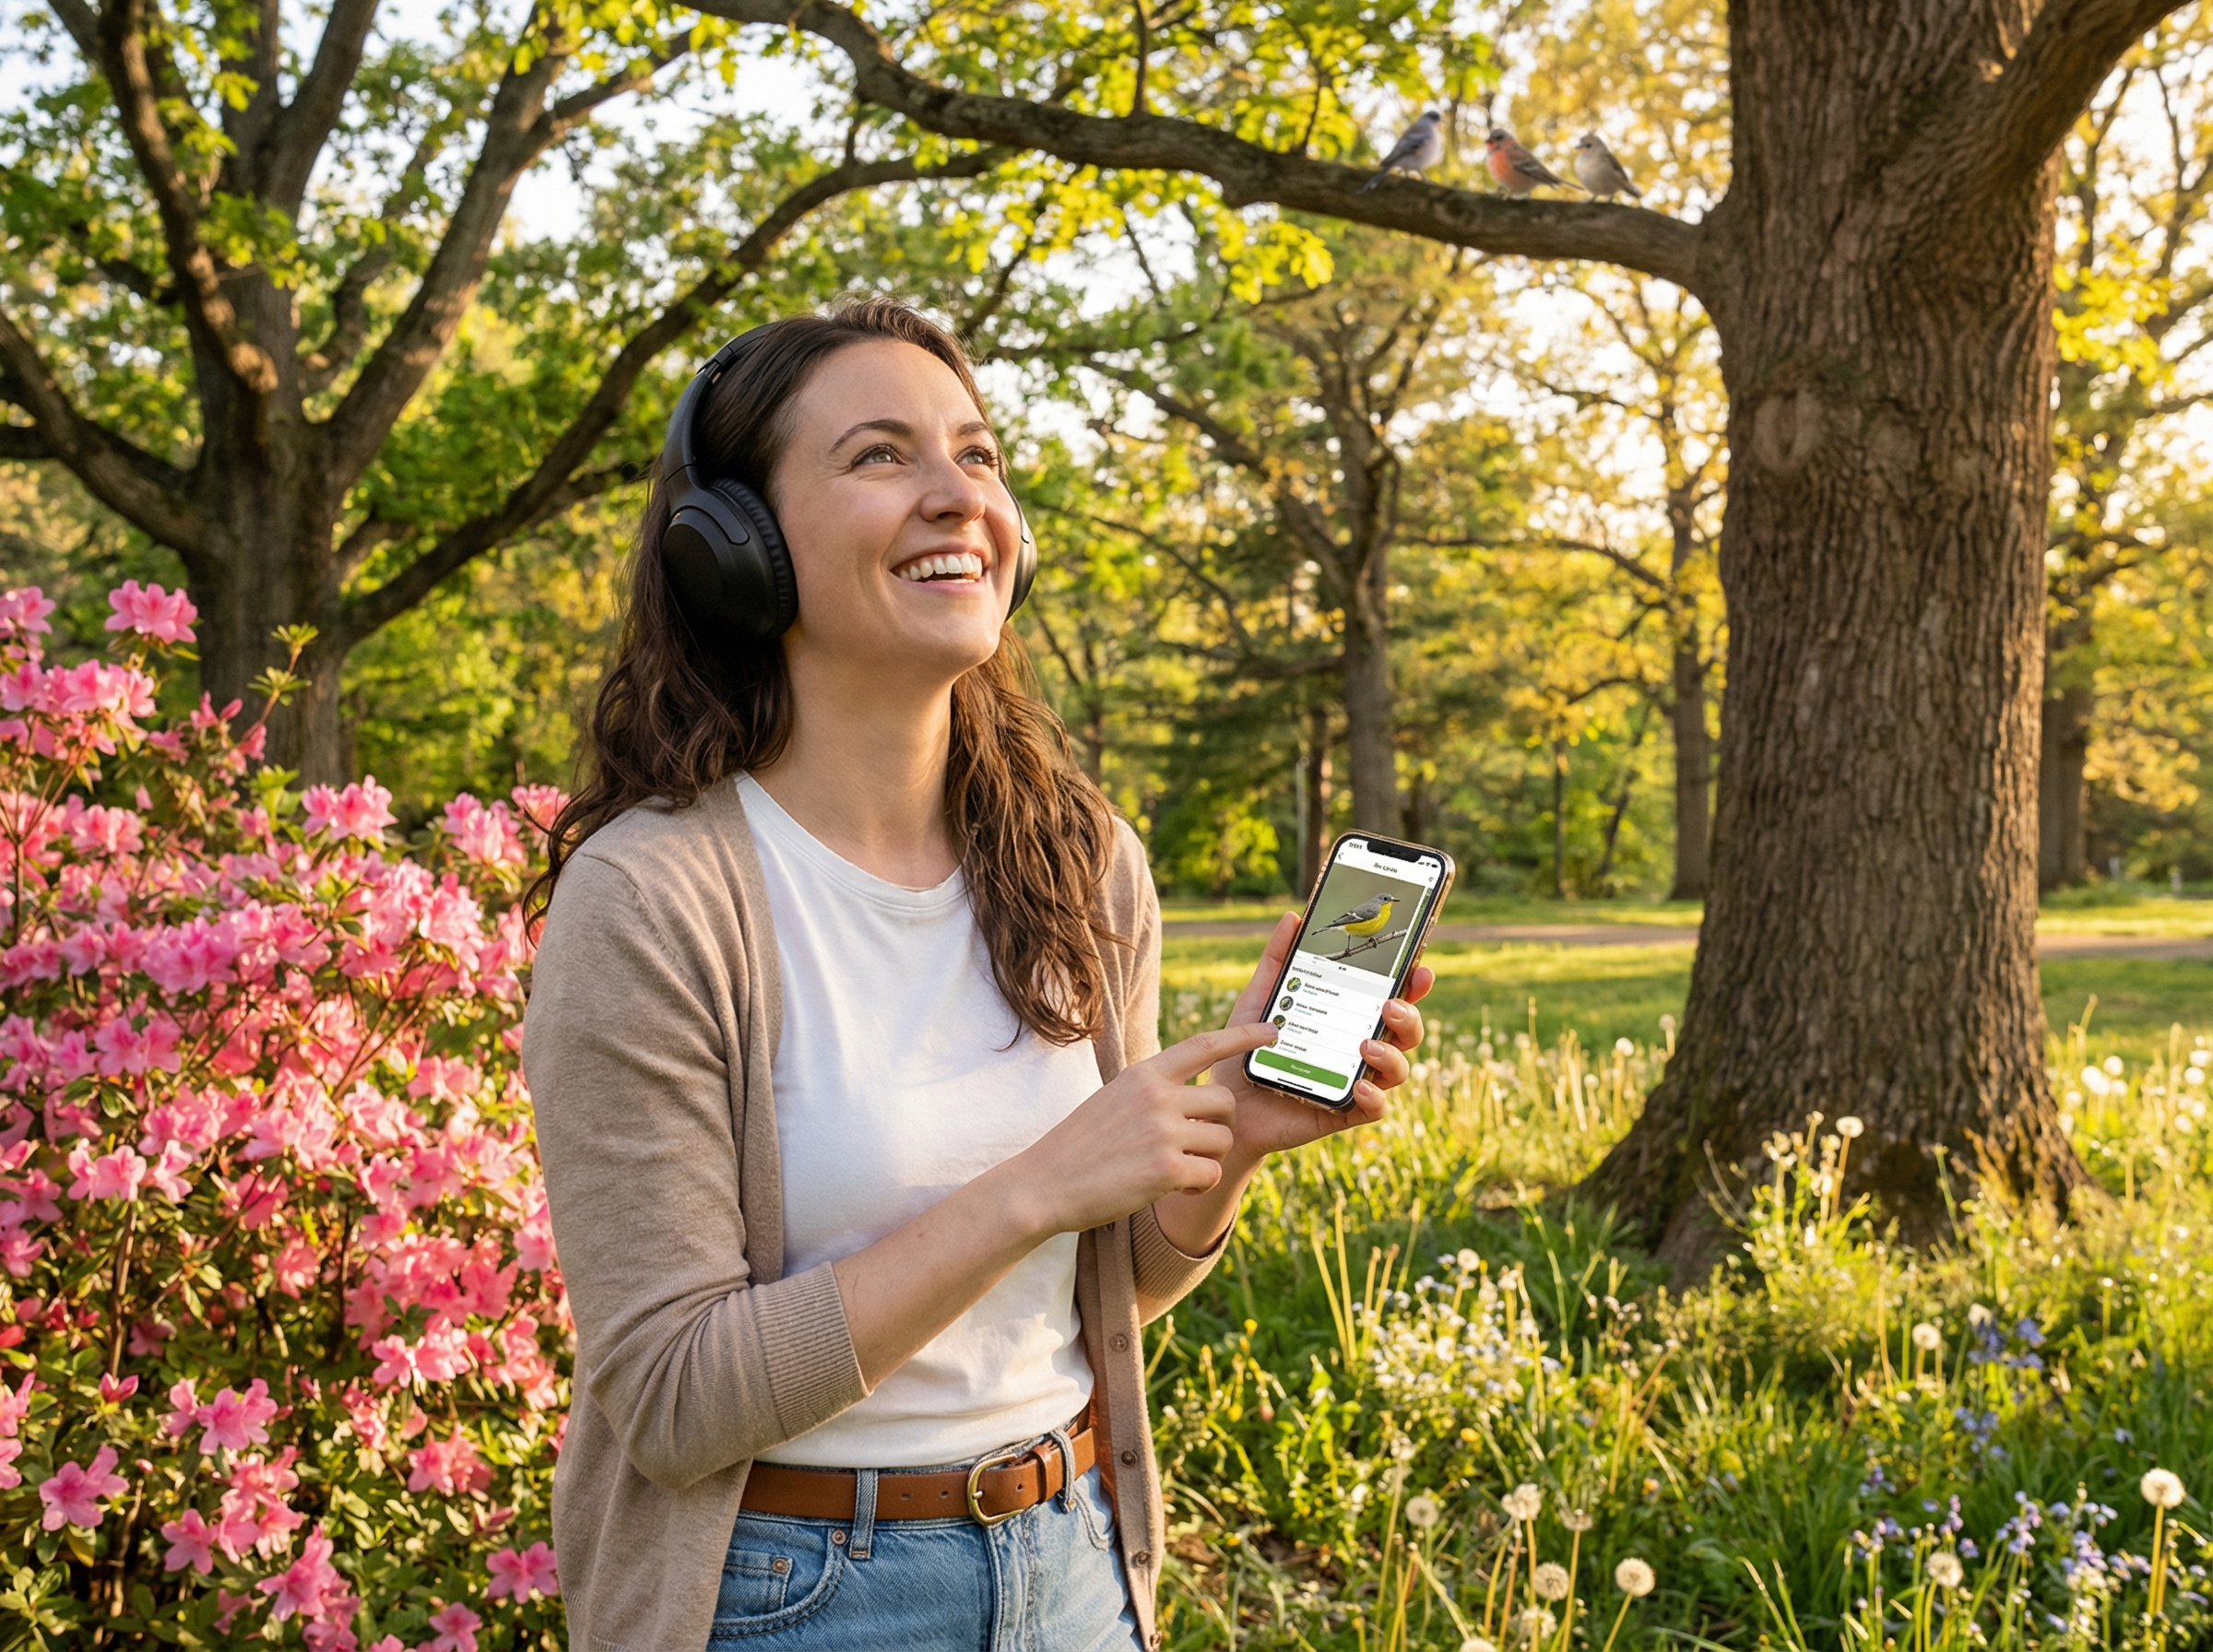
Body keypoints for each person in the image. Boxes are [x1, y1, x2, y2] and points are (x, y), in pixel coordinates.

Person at [522, 298, 1433, 1652]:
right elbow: (669, 1399)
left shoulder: (1081, 859)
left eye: (980, 456)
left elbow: (1099, 1287)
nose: (958, 496)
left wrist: (1217, 1159)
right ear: (741, 549)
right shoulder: (653, 902)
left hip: (1072, 1564)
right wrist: (1034, 1190)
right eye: (881, 455)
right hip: (784, 1597)